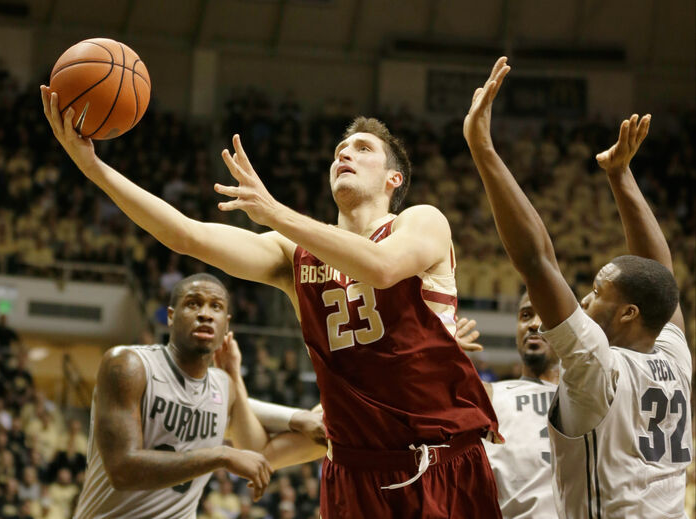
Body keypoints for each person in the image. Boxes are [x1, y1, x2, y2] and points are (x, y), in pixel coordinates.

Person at [41, 86, 501, 519]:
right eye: (341, 150)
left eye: (363, 149)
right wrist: (92, 168)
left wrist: (274, 212)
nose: (345, 153)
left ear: (392, 179)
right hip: (354, 470)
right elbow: (185, 234)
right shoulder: (292, 256)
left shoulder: (421, 221)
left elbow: (380, 268)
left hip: (440, 461)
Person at [464, 57, 692, 518]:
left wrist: (483, 150)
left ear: (629, 313)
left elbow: (536, 260)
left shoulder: (595, 367)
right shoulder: (675, 359)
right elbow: (658, 278)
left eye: (598, 291)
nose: (585, 299)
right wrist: (620, 176)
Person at [74, 274, 324, 519]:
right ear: (171, 316)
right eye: (193, 303)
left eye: (215, 306)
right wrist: (221, 455)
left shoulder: (222, 387)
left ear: (226, 324)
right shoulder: (130, 364)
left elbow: (249, 422)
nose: (205, 313)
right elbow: (122, 470)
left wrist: (297, 416)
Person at [463, 293, 560, 518]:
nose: (534, 324)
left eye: (546, 315)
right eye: (525, 315)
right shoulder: (487, 394)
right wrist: (440, 353)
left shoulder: (590, 396)